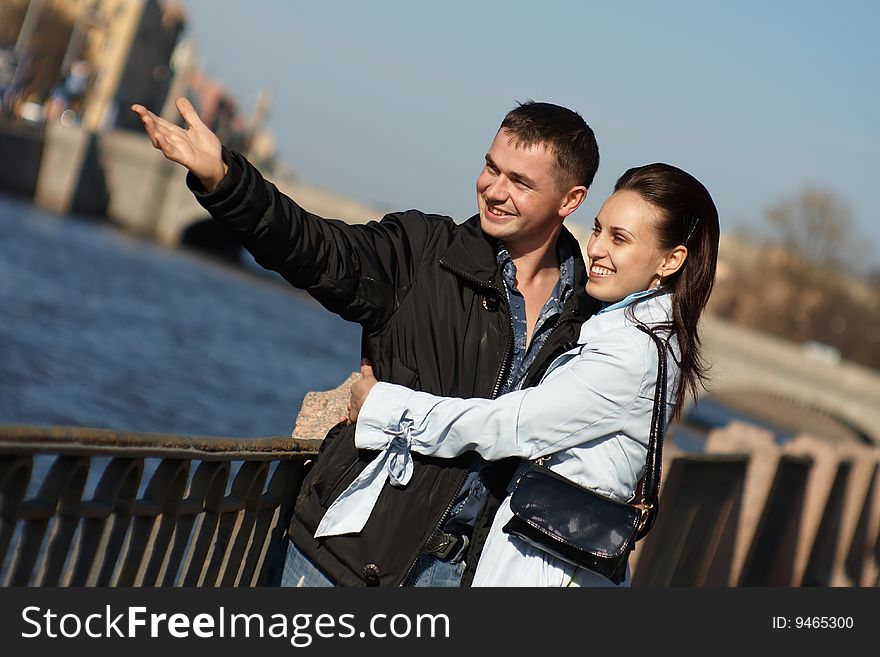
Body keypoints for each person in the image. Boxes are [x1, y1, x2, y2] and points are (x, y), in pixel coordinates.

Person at [131, 97, 601, 586]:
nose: (493, 190)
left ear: (570, 200)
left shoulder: (585, 319)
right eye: (490, 167)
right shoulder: (423, 252)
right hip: (342, 555)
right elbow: (313, 248)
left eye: (520, 182)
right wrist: (224, 177)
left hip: (465, 577)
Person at [340, 163, 720, 586]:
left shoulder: (631, 353)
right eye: (597, 230)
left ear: (671, 260)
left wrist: (383, 406)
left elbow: (509, 426)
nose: (595, 249)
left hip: (547, 572)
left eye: (620, 239)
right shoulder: (648, 338)